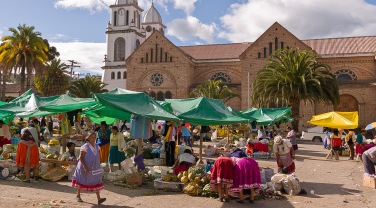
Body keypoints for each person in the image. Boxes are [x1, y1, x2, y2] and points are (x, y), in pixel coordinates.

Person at [72, 132, 106, 204]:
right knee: (82, 180)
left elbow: (97, 156)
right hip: (84, 166)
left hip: (94, 167)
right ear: (88, 138)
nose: (93, 139)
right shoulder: (85, 147)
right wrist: (85, 167)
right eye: (92, 137)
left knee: (96, 180)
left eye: (94, 137)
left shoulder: (97, 146)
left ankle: (99, 198)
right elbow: (80, 157)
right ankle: (78, 195)